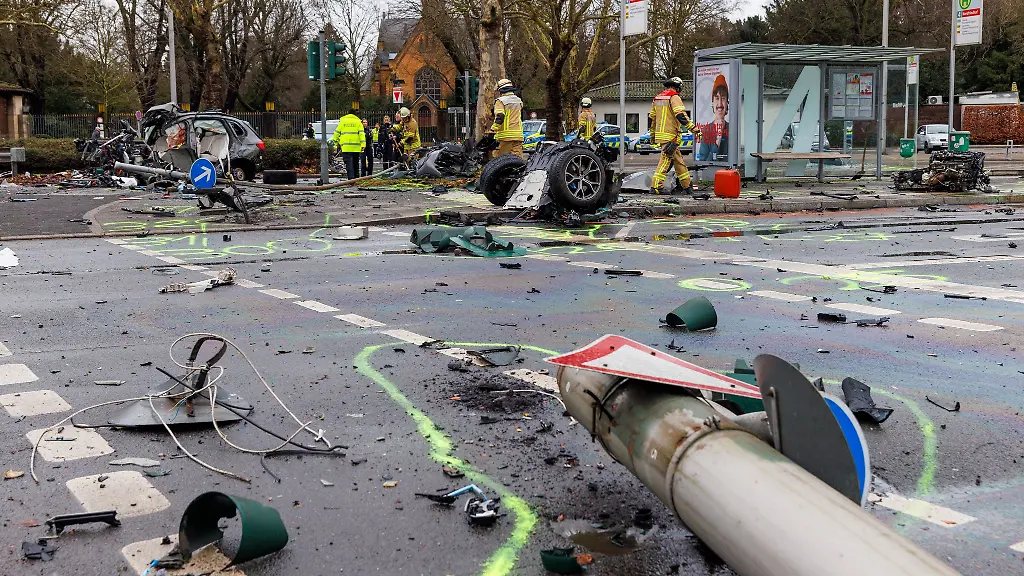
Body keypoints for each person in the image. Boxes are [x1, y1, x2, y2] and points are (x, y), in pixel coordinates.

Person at [649, 76, 701, 195]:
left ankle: (687, 186)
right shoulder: (674, 97)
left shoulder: (657, 98)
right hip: (671, 136)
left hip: (661, 135)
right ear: (678, 87)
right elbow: (680, 115)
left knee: (678, 161)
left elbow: (653, 119)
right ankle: (656, 186)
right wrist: (694, 129)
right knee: (665, 160)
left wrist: (652, 135)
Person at [487, 79, 524, 158]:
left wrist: (493, 130)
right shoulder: (518, 101)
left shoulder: (500, 101)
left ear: (500, 90)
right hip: (518, 135)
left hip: (505, 136)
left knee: (500, 160)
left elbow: (500, 116)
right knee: (517, 160)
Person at [697, 74, 729, 161]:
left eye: (723, 98)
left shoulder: (732, 129)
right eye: (717, 98)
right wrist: (717, 142)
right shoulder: (706, 131)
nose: (720, 104)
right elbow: (704, 162)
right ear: (712, 103)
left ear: (727, 103)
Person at [332, 108, 365, 181]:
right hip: (356, 147)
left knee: (348, 163)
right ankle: (356, 178)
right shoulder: (358, 122)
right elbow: (361, 134)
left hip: (346, 147)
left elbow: (336, 133)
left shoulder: (343, 121)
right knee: (355, 163)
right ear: (355, 114)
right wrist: (363, 144)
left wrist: (336, 142)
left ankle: (351, 179)